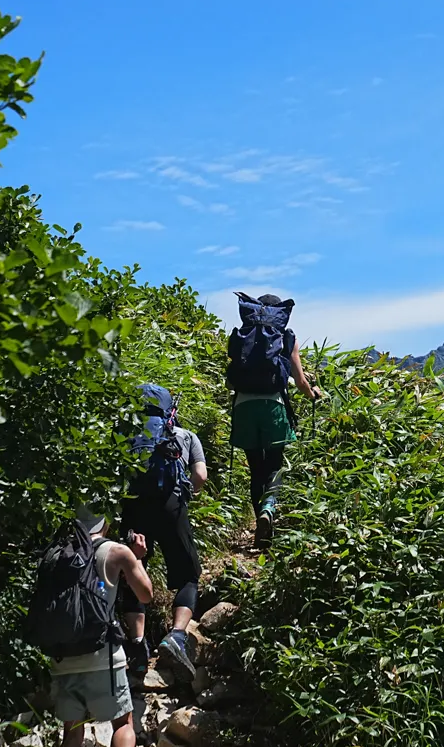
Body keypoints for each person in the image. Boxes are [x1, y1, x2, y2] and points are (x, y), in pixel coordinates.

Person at [53, 511, 153, 747]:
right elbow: (146, 594)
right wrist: (137, 558)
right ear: (104, 523)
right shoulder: (117, 551)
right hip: (103, 657)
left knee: (71, 731)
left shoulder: (60, 552)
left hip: (63, 657)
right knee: (123, 722)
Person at [119, 383, 208, 684]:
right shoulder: (183, 436)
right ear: (171, 409)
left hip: (132, 506)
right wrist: (186, 495)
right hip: (171, 504)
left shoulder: (125, 435)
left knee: (133, 572)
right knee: (187, 575)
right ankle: (177, 636)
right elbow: (200, 476)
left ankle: (137, 646)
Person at [228, 293, 322, 541]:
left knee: (255, 469)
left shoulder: (242, 334)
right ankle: (268, 510)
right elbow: (300, 381)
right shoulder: (286, 336)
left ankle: (260, 520)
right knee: (275, 466)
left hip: (243, 407)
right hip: (273, 407)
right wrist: (313, 394)